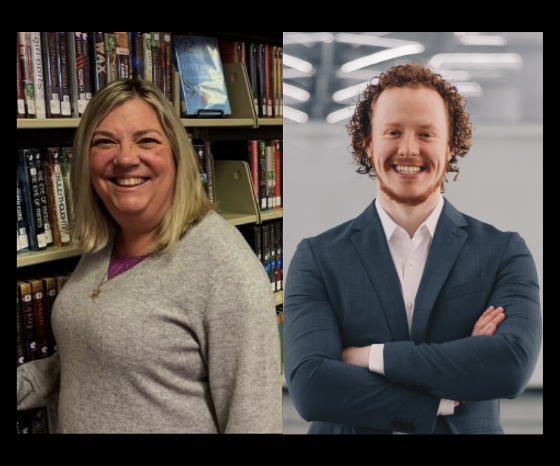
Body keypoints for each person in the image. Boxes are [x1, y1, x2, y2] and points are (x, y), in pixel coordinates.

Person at [283, 62, 542, 434]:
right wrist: (449, 385)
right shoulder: (318, 258)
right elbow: (311, 387)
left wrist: (367, 357)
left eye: (426, 134)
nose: (408, 149)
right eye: (393, 132)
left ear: (450, 145)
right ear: (367, 143)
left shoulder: (503, 253)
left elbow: (510, 365)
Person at [16, 78, 282, 434]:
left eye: (147, 141)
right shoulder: (106, 243)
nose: (125, 158)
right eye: (105, 142)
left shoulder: (226, 269)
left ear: (177, 154)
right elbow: (93, 357)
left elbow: (254, 421)